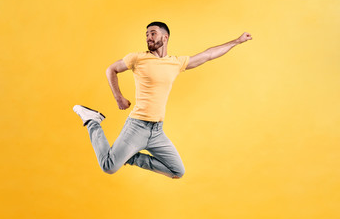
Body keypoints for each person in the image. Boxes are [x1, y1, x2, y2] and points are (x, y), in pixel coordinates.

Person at [73, 21, 252, 179]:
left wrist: (237, 41)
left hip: (157, 131)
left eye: (152, 33)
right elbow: (111, 69)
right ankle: (92, 121)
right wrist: (118, 97)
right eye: (146, 35)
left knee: (177, 171)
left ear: (165, 37)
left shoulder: (176, 63)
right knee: (109, 166)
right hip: (137, 126)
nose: (148, 38)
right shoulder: (137, 58)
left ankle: (130, 157)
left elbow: (208, 55)